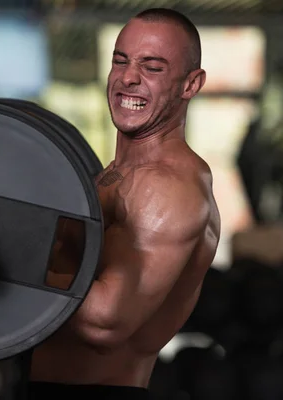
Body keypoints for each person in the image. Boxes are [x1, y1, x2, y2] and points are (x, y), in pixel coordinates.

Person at [28, 7, 221, 399]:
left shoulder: (168, 188)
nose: (128, 77)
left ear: (190, 84)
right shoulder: (112, 175)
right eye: (120, 60)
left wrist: (15, 247)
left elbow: (105, 324)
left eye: (152, 67)